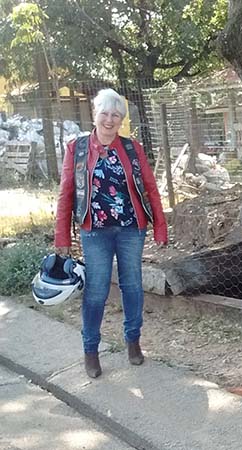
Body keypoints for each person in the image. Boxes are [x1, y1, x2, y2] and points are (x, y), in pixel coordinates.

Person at [54, 88, 168, 379]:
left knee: (132, 286)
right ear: (95, 114)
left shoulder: (132, 149)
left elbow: (150, 188)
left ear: (121, 120)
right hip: (95, 232)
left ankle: (133, 341)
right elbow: (66, 193)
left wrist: (160, 226)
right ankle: (90, 350)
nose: (109, 119)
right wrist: (62, 237)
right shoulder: (77, 149)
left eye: (115, 115)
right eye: (104, 113)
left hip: (131, 228)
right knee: (96, 290)